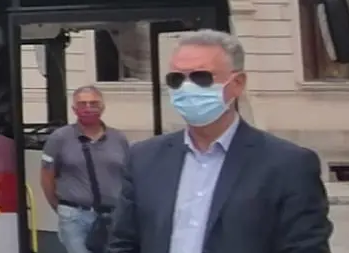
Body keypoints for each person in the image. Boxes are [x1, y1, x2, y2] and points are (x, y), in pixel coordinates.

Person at [106, 30, 333, 253]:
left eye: (201, 77)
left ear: (237, 83)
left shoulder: (288, 165)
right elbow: (124, 242)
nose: (186, 88)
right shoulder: (144, 159)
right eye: (176, 79)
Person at [41, 85, 130, 253]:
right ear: (74, 109)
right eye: (82, 104)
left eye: (93, 103)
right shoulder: (59, 138)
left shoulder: (118, 138)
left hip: (112, 216)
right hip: (75, 216)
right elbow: (46, 177)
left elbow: (127, 175)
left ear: (102, 107)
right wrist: (60, 207)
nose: (88, 108)